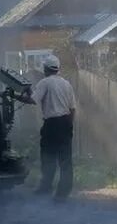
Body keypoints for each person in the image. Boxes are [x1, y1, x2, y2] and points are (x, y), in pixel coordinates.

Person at [19, 55, 77, 200]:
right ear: (57, 68)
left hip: (51, 124)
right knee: (65, 160)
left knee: (48, 157)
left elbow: (33, 100)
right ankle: (63, 193)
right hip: (65, 123)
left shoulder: (45, 82)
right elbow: (73, 109)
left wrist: (17, 96)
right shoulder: (66, 84)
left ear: (45, 69)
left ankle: (45, 188)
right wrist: (69, 125)